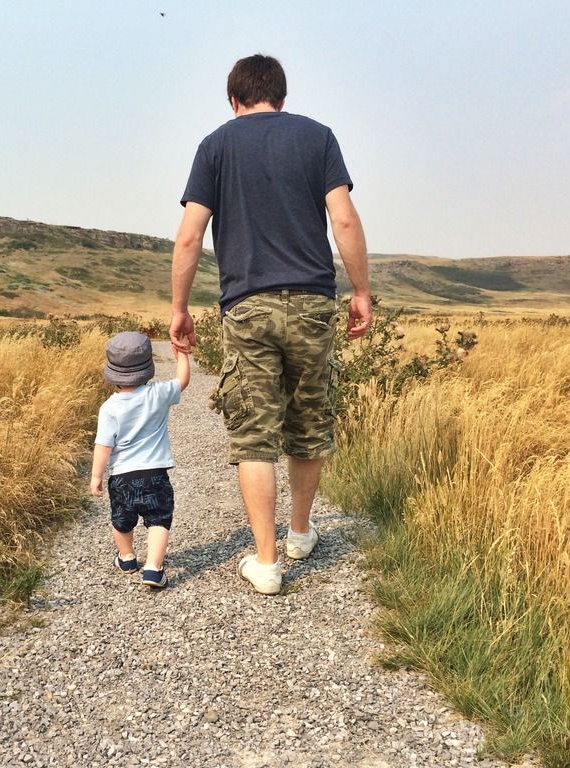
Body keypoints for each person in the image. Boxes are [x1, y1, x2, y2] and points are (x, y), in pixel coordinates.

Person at [169, 54, 372, 595]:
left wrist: (179, 308)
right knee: (308, 423)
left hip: (248, 306)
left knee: (254, 434)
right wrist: (362, 292)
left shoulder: (215, 145)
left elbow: (190, 236)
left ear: (234, 100)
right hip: (312, 302)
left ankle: (266, 562)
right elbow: (344, 218)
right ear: (280, 96)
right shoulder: (318, 138)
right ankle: (301, 533)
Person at [90, 331, 191, 588]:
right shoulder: (158, 394)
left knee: (122, 520)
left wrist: (96, 476)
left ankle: (126, 557)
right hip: (155, 475)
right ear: (147, 368)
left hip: (122, 477)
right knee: (158, 519)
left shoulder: (109, 408)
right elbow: (182, 380)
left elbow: (103, 446)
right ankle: (153, 568)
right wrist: (182, 354)